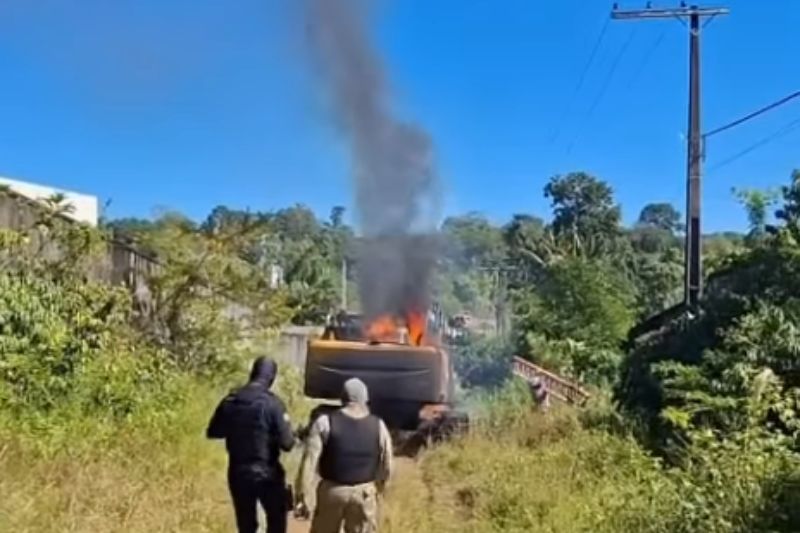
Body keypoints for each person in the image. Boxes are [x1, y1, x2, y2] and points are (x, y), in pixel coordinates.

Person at [207, 356, 295, 533]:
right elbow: (287, 444)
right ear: (271, 378)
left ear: (252, 373)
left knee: (246, 525)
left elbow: (213, 432)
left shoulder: (231, 400)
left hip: (238, 471)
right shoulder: (273, 404)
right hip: (267, 473)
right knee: (276, 522)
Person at [295, 378, 393, 533]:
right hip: (364, 493)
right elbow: (387, 462)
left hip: (332, 491)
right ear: (365, 399)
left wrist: (302, 495)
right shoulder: (378, 425)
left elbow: (309, 462)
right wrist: (380, 488)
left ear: (342, 398)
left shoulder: (325, 422)